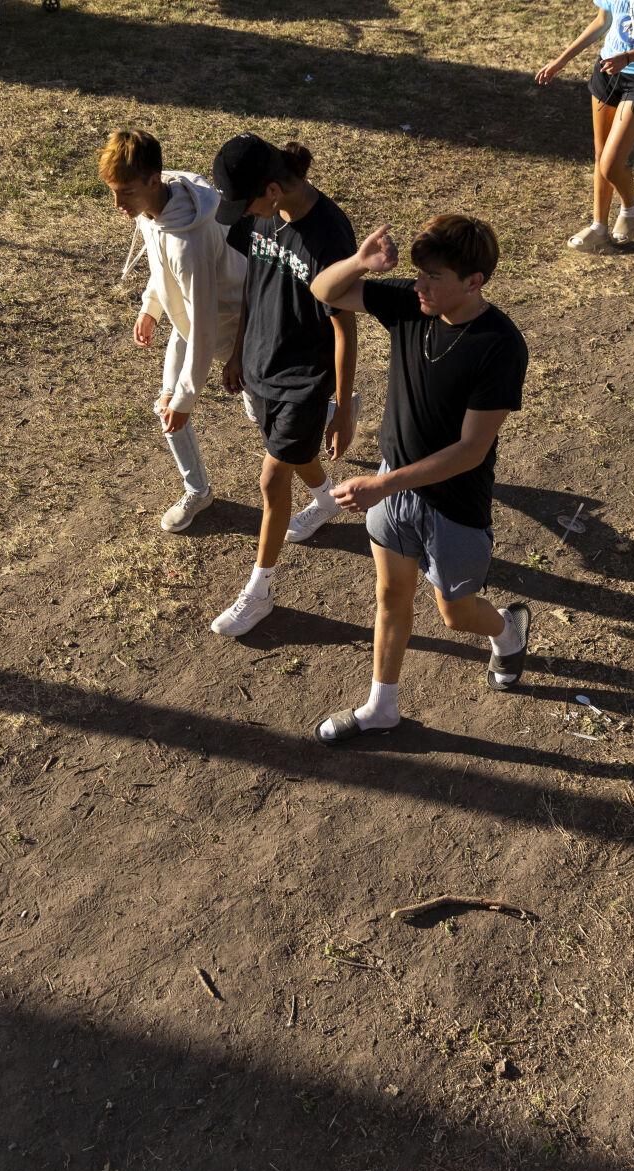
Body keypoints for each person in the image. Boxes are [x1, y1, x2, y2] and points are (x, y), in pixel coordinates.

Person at [306, 215, 532, 744]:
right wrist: (361, 262)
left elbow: (471, 451)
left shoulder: (499, 345)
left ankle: (507, 628)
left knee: (454, 614)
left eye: (433, 276)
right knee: (391, 597)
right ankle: (381, 706)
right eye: (417, 274)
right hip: (393, 488)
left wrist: (383, 487)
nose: (419, 286)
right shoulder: (412, 304)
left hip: (453, 504)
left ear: (474, 281)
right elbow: (325, 290)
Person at [207, 133, 357, 638]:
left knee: (272, 478)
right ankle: (327, 501)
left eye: (241, 201)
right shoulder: (261, 214)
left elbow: (344, 326)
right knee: (289, 452)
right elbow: (254, 279)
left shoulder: (330, 235)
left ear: (272, 189)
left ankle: (259, 591)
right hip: (259, 364)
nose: (237, 212)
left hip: (305, 378)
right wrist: (237, 351)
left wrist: (342, 405)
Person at [99, 130, 247, 533]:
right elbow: (159, 263)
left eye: (125, 193)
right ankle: (199, 490)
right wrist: (151, 307)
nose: (118, 206)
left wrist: (186, 397)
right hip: (189, 318)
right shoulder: (155, 205)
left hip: (232, 326)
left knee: (260, 411)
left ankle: (333, 409)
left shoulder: (191, 242)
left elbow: (202, 325)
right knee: (164, 408)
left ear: (153, 180)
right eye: (113, 192)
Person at [535, 0, 634, 253]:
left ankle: (631, 206)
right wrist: (561, 60)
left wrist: (629, 57)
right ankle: (598, 228)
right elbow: (602, 21)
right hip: (606, 72)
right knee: (600, 155)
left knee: (610, 164)